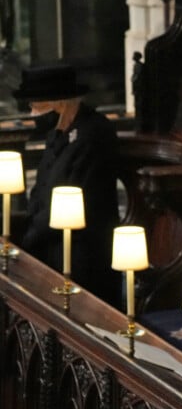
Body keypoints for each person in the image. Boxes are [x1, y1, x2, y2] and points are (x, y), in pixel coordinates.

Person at [12, 64, 122, 308]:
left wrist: (27, 241)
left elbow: (79, 197)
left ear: (59, 104)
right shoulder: (58, 133)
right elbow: (40, 191)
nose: (32, 114)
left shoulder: (94, 133)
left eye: (36, 107)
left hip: (82, 257)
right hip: (49, 248)